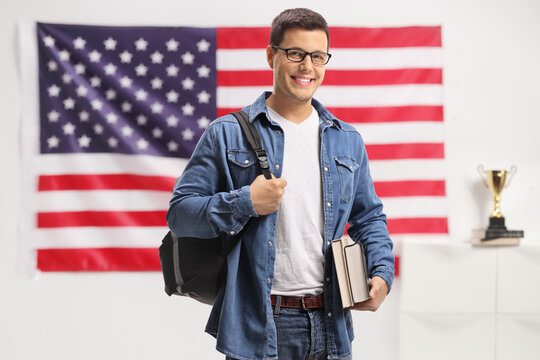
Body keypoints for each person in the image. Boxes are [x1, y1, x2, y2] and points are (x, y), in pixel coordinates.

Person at [167, 8, 395, 360]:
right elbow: (179, 215)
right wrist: (244, 202)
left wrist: (381, 274)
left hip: (331, 320)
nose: (308, 66)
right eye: (296, 53)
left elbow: (369, 219)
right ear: (272, 54)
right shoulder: (225, 134)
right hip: (259, 322)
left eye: (318, 56)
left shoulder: (346, 140)